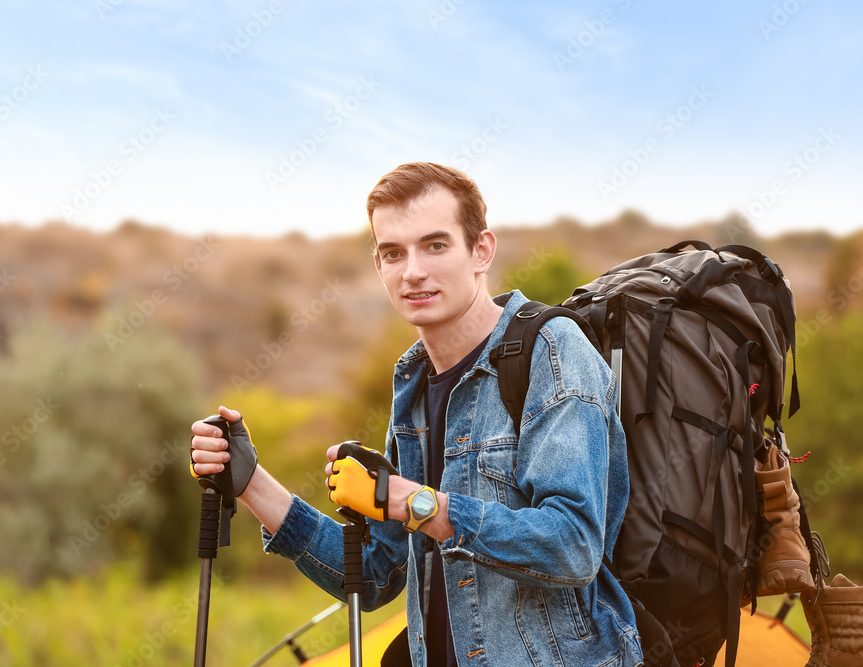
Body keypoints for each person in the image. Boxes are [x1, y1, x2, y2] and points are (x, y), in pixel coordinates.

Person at [190, 162, 643, 666]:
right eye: (392, 253)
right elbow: (374, 572)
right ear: (378, 266)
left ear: (481, 250)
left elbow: (574, 545)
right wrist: (251, 483)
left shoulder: (551, 352)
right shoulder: (413, 385)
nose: (413, 271)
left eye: (435, 245)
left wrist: (421, 505)